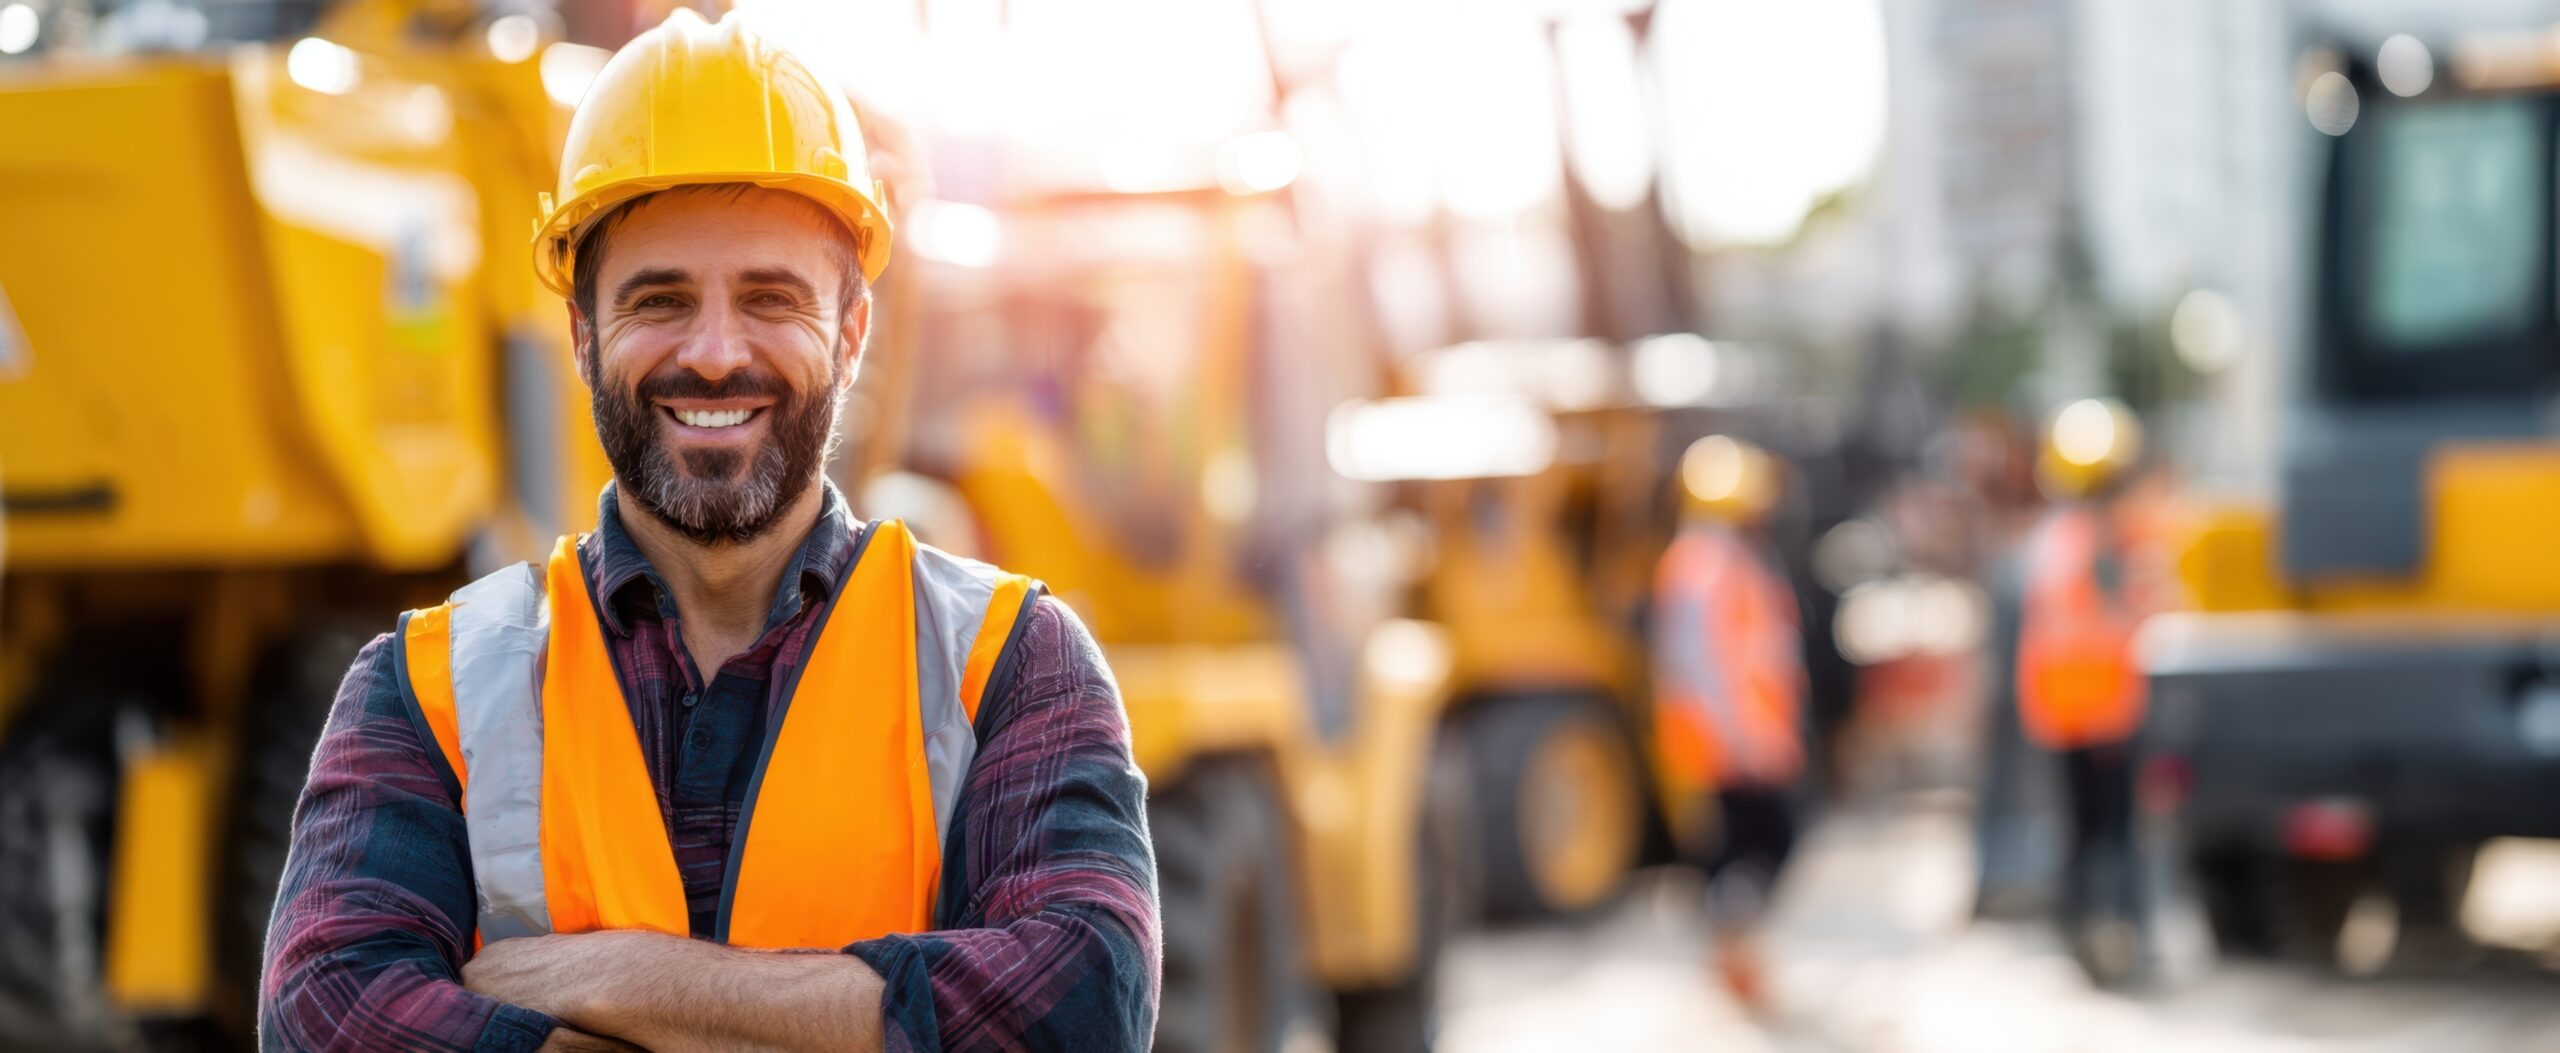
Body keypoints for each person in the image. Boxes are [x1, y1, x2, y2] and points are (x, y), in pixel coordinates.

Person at [256, 11, 1159, 1051]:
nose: (717, 352)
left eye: (771, 298)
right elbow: (325, 1018)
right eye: (660, 300)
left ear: (851, 330)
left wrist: (610, 977)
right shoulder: (427, 686)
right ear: (584, 335)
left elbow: (1082, 1003)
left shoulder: (1008, 661)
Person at [1651, 435, 1807, 1012]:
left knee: (1753, 848)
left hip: (1751, 737)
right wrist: (1740, 738)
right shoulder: (1703, 565)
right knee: (1760, 845)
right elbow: (1695, 665)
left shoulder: (1732, 560)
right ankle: (1731, 949)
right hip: (1730, 744)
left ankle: (1736, 956)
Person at [2014, 397, 2152, 983]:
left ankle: (2080, 928)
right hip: (2107, 712)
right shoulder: (2103, 543)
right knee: (2111, 832)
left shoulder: (2048, 538)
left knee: (2076, 831)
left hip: (2061, 713)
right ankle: (2111, 933)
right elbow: (2130, 613)